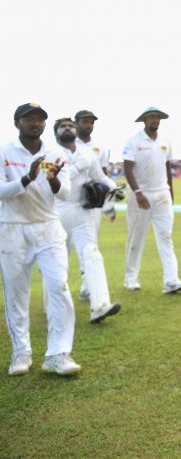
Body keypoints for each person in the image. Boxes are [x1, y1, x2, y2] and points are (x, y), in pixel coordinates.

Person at [0, 103, 81, 376]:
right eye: (29, 119)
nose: (35, 123)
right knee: (16, 294)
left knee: (58, 286)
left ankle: (58, 354)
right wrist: (27, 178)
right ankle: (21, 353)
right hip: (13, 228)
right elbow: (1, 191)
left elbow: (65, 193)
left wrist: (53, 180)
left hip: (48, 227)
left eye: (39, 119)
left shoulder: (55, 154)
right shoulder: (4, 151)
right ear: (17, 123)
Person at [53, 118, 122, 323]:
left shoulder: (87, 154)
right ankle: (55, 306)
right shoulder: (49, 153)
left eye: (70, 125)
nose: (67, 128)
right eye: (63, 126)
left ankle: (100, 305)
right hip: (57, 211)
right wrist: (75, 168)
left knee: (91, 253)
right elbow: (52, 183)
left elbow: (100, 177)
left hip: (83, 210)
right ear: (55, 132)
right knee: (57, 260)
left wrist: (113, 189)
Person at [121, 107, 181, 294]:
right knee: (136, 238)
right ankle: (130, 278)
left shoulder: (165, 142)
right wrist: (137, 192)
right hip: (140, 195)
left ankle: (171, 281)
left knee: (166, 237)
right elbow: (127, 168)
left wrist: (170, 192)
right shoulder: (134, 141)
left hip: (162, 195)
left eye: (157, 117)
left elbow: (167, 169)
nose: (155, 120)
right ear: (144, 120)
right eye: (151, 117)